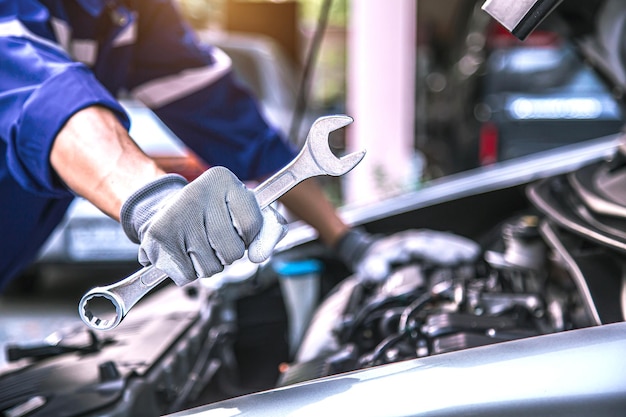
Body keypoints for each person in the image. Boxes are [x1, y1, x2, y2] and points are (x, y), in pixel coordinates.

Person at [0, 0, 478, 292]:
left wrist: (348, 242)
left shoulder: (131, 14)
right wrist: (154, 202)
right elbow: (41, 98)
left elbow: (242, 131)